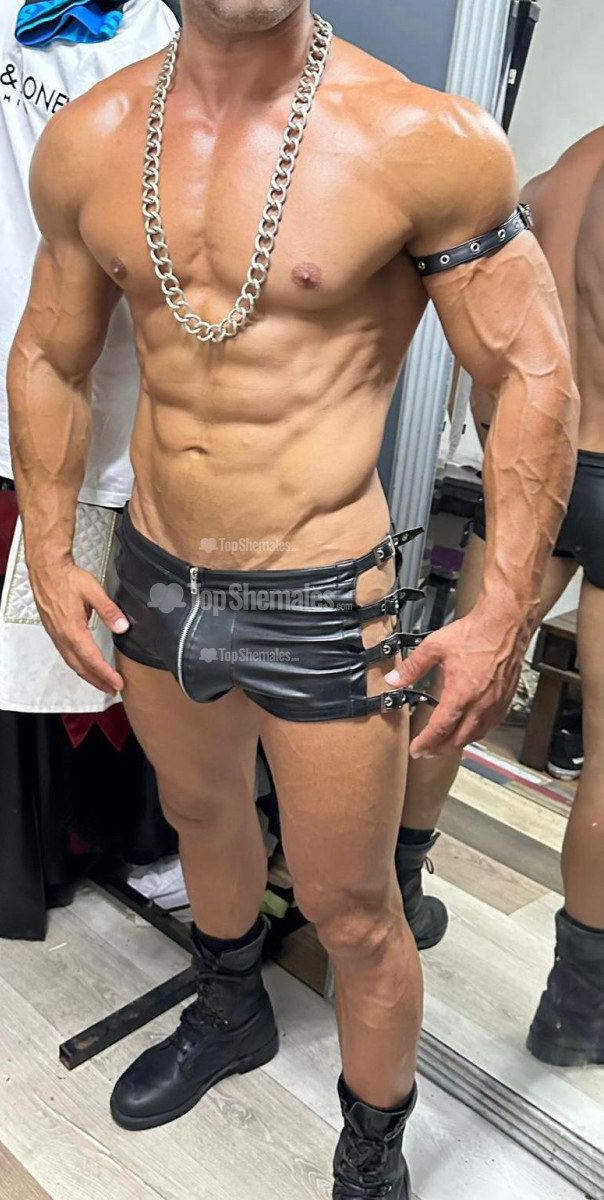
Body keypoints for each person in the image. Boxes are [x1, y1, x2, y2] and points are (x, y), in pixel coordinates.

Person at [7, 4, 579, 1196]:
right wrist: (48, 550)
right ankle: (230, 1012)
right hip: (157, 575)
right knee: (200, 814)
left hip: (322, 595)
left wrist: (503, 614)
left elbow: (530, 372)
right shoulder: (91, 136)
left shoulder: (423, 140)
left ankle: (371, 1158)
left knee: (352, 906)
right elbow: (51, 355)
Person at [397, 125, 604, 1070]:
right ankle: (575, 1014)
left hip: (537, 459)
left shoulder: (555, 178)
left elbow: (493, 355)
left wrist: (502, 449)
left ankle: (395, 893)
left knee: (458, 684)